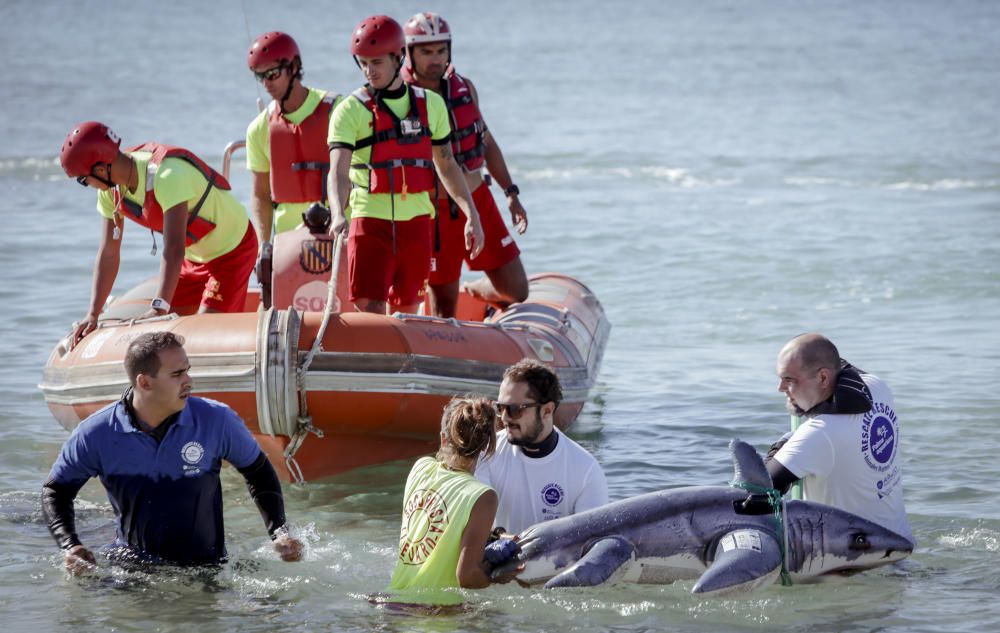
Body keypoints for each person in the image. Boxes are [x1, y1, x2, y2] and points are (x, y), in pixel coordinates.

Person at [42, 331, 304, 573]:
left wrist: (279, 533)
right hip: (132, 570)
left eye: (187, 371)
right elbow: (57, 491)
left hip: (208, 568)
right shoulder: (96, 432)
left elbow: (258, 472)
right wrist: (71, 546)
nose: (189, 380)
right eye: (177, 374)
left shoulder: (216, 420)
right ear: (144, 382)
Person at [326, 15, 484, 315]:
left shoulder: (431, 104)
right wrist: (337, 213)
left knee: (408, 308)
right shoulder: (349, 111)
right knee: (369, 307)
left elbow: (447, 164)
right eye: (363, 63)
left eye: (376, 63)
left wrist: (471, 213)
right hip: (369, 221)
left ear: (398, 57)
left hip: (417, 225)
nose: (368, 71)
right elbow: (337, 172)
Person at [60, 122, 257, 348]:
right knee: (162, 339)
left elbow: (173, 247)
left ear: (101, 169)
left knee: (201, 338)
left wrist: (159, 306)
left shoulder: (167, 175)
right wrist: (93, 314)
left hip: (231, 251)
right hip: (193, 259)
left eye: (83, 180)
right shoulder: (110, 193)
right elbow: (108, 253)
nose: (87, 186)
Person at [402, 12, 529, 317]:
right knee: (444, 305)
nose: (435, 59)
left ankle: (477, 289)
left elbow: (485, 142)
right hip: (435, 210)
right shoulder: (402, 100)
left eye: (440, 51)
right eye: (426, 51)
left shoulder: (465, 89)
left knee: (517, 290)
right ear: (409, 53)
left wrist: (511, 193)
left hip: (478, 199)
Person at [765, 333, 915, 543]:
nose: (780, 388)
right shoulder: (877, 387)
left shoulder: (819, 434)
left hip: (854, 562)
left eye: (789, 380)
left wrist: (780, 447)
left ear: (823, 377)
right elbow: (843, 367)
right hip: (900, 541)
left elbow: (759, 490)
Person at [385, 397, 522, 607]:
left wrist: (493, 535)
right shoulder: (483, 496)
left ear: (442, 439)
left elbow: (445, 526)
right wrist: (498, 578)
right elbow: (466, 577)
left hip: (393, 602)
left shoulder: (420, 468)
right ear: (485, 446)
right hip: (435, 615)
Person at [245, 31, 344, 306]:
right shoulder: (258, 129)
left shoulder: (337, 109)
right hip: (287, 243)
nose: (266, 83)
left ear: (294, 68)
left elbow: (357, 175)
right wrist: (265, 246)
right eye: (259, 76)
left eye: (273, 74)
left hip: (336, 235)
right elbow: (260, 195)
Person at [475, 359, 608, 534]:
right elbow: (473, 520)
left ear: (547, 410)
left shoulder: (586, 471)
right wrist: (501, 539)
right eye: (501, 408)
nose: (505, 418)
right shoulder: (486, 453)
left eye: (515, 409)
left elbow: (592, 539)